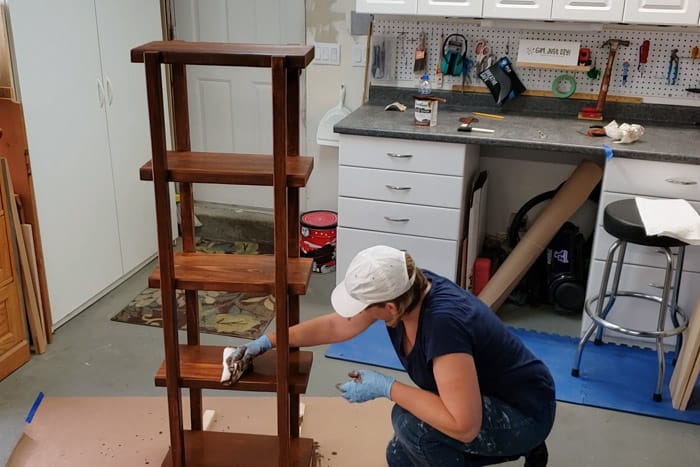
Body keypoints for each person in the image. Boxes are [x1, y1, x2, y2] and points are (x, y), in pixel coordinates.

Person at [222, 245, 555, 467]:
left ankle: (526, 443)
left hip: (524, 411)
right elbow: (339, 326)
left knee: (413, 428)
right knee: (399, 457)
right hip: (480, 395)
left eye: (366, 309)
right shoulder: (406, 289)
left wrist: (386, 387)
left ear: (390, 306)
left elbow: (465, 426)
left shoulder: (443, 327)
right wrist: (269, 341)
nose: (359, 315)